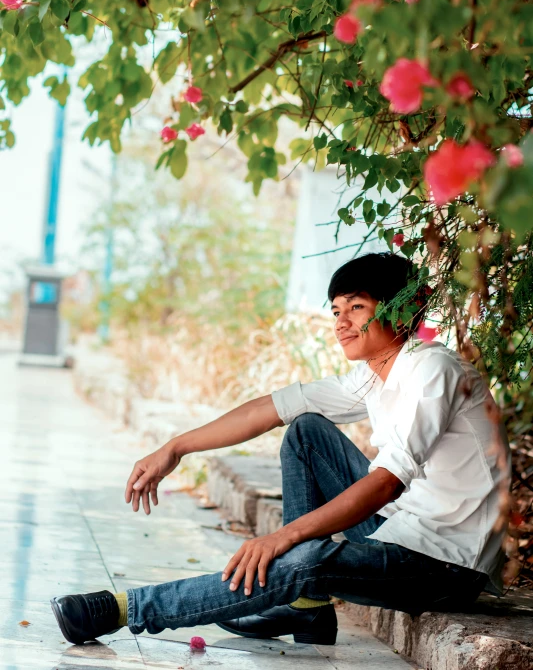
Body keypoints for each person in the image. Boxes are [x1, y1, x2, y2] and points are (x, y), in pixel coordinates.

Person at [51, 252, 510, 647]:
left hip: (445, 564)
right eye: (335, 311)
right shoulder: (375, 372)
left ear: (404, 309)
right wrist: (177, 447)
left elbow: (385, 484)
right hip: (404, 530)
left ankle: (122, 610)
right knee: (306, 430)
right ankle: (307, 608)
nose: (342, 323)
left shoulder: (432, 370)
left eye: (357, 307)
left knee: (303, 559)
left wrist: (283, 538)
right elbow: (274, 408)